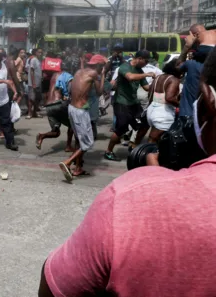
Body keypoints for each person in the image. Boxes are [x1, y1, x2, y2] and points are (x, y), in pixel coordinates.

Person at [38, 47, 216, 297]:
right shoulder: (109, 73)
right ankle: (71, 163)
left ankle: (77, 164)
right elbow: (102, 91)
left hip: (76, 109)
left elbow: (53, 284)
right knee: (88, 143)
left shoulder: (129, 196)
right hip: (93, 109)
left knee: (84, 139)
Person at [58, 55, 107, 182]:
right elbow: (99, 92)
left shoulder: (79, 71)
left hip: (72, 108)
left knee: (80, 140)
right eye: (101, 66)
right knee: (88, 142)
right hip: (80, 111)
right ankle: (67, 162)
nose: (102, 68)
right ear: (98, 65)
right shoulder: (94, 74)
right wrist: (103, 75)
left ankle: (78, 168)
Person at [104, 50, 155, 161]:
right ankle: (108, 151)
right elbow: (130, 77)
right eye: (145, 61)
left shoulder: (139, 70)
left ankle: (134, 146)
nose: (146, 64)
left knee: (145, 124)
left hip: (134, 103)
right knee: (121, 128)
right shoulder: (124, 67)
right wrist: (147, 74)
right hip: (121, 102)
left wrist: (159, 84)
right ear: (139, 58)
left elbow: (146, 87)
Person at [176, 24, 215, 117]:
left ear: (195, 35)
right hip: (207, 120)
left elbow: (177, 66)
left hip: (189, 116)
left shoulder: (191, 64)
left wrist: (186, 47)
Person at [36, 69, 74, 152]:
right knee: (72, 125)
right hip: (58, 104)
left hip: (49, 106)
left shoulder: (53, 76)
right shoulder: (68, 76)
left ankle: (41, 136)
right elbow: (71, 91)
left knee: (56, 133)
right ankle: (68, 146)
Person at [146, 59, 182, 143]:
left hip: (152, 109)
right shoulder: (174, 80)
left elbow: (150, 94)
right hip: (163, 113)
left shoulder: (159, 77)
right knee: (155, 140)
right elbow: (169, 98)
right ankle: (147, 154)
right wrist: (180, 104)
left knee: (155, 138)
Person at [27, 48, 43, 119]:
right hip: (33, 83)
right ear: (36, 53)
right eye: (39, 52)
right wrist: (33, 83)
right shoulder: (33, 60)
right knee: (31, 98)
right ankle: (29, 113)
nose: (40, 54)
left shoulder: (38, 60)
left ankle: (34, 113)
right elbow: (32, 71)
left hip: (38, 83)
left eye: (41, 52)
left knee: (37, 98)